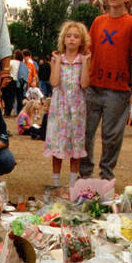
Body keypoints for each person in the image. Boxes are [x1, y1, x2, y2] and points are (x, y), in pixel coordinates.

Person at [80, 0, 132, 182]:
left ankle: (106, 176)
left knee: (112, 136)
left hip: (118, 88)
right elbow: (89, 52)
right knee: (86, 133)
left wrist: (131, 84)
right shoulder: (98, 22)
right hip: (94, 86)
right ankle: (85, 174)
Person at [45, 21, 91, 189]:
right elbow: (54, 82)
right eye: (69, 36)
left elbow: (85, 84)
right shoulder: (58, 59)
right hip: (60, 107)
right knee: (58, 143)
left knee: (76, 143)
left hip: (77, 107)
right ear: (63, 39)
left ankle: (72, 182)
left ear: (81, 41)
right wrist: (56, 62)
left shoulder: (83, 60)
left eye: (76, 36)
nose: (72, 39)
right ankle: (56, 182)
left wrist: (85, 63)